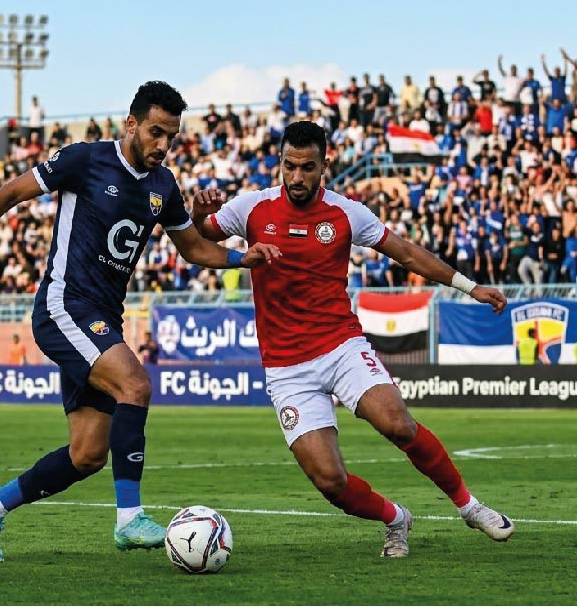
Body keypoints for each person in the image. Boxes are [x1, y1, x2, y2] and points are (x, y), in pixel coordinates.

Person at [0, 81, 280, 561]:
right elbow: (9, 193)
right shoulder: (86, 159)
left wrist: (242, 258)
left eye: (171, 137)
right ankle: (129, 520)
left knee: (87, 454)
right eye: (155, 132)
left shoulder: (163, 186)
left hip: (102, 318)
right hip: (64, 306)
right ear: (131, 123)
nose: (162, 145)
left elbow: (194, 248)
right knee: (135, 384)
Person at [189, 121, 513, 559]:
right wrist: (198, 212)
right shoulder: (252, 208)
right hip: (286, 368)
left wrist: (469, 286)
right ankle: (395, 518)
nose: (297, 176)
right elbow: (200, 237)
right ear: (279, 163)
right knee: (330, 481)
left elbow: (407, 253)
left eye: (307, 167)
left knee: (397, 423)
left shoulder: (345, 213)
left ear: (324, 165)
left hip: (341, 346)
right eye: (289, 166)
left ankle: (470, 507)